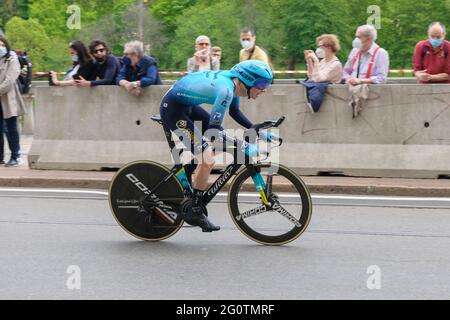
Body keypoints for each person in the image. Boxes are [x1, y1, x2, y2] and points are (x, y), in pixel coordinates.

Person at [159, 60, 274, 232]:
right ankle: (195, 210)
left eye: (267, 84)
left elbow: (234, 112)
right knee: (208, 157)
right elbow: (214, 132)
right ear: (248, 80)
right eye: (262, 84)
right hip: (174, 110)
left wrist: (254, 129)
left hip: (187, 107)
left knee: (213, 148)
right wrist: (241, 144)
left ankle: (190, 173)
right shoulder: (226, 90)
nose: (264, 89)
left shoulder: (236, 86)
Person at [0, 36, 26, 167]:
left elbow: (9, 81)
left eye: (1, 45)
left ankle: (15, 156)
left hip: (8, 98)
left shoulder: (12, 59)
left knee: (11, 128)